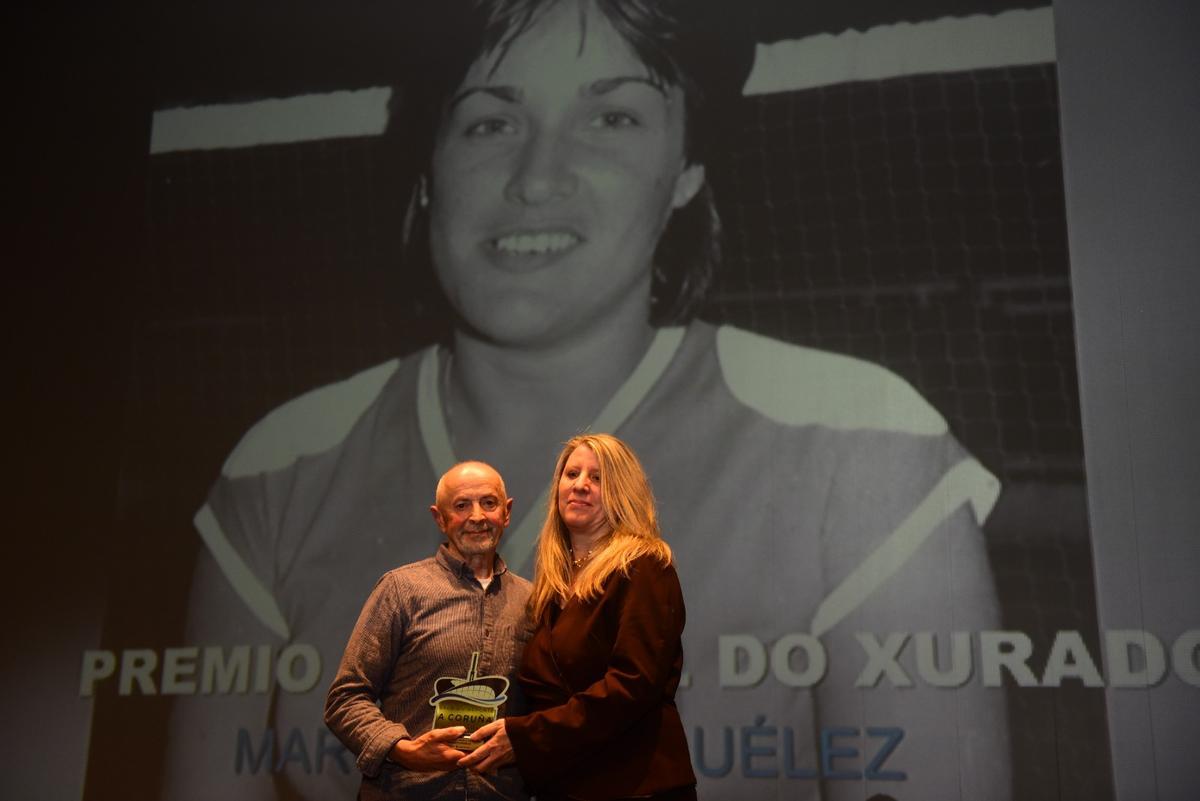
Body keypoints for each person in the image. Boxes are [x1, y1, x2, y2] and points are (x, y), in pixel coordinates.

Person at [170, 1, 1011, 799]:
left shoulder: (859, 444)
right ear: (427, 168)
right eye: (490, 121)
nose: (536, 179)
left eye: (613, 118)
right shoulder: (280, 467)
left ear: (687, 172)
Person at [460, 434, 694, 800]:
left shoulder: (644, 567)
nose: (580, 485)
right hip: (568, 785)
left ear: (622, 491)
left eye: (597, 478)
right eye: (571, 474)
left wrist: (525, 736)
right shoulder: (552, 587)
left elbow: (631, 685)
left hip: (634, 785)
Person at [323, 460, 532, 801]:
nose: (477, 516)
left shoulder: (535, 601)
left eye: (489, 503)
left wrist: (523, 741)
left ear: (506, 513)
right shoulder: (401, 589)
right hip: (406, 792)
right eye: (462, 506)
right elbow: (345, 698)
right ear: (440, 518)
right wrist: (403, 749)